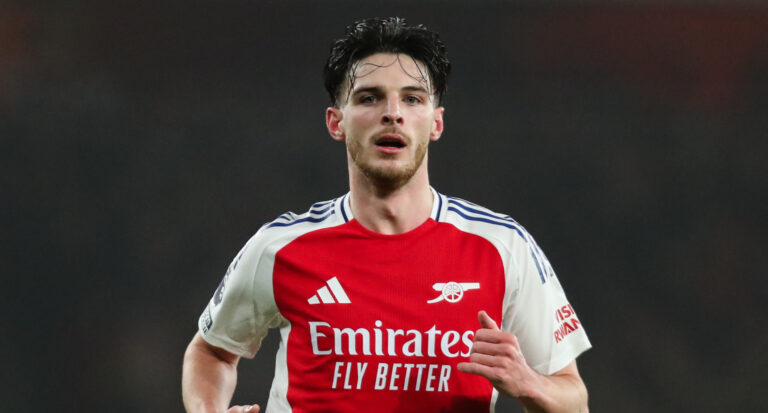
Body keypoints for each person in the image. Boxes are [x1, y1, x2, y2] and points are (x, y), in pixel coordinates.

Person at [182, 17, 591, 413]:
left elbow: (574, 400)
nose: (392, 112)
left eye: (412, 98)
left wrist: (528, 382)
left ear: (436, 123)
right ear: (335, 122)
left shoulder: (503, 248)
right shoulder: (280, 247)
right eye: (369, 97)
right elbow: (212, 351)